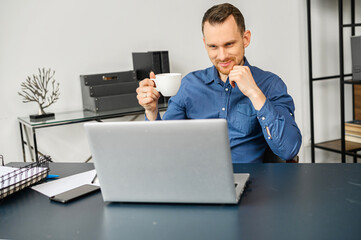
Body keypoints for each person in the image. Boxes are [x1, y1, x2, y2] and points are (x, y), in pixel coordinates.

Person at [136, 3, 302, 163]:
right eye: (213, 47)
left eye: (229, 44)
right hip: (196, 182)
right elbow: (162, 151)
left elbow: (288, 149)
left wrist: (254, 93)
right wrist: (151, 111)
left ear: (245, 39)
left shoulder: (270, 84)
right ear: (205, 44)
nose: (222, 56)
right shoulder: (189, 85)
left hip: (251, 184)